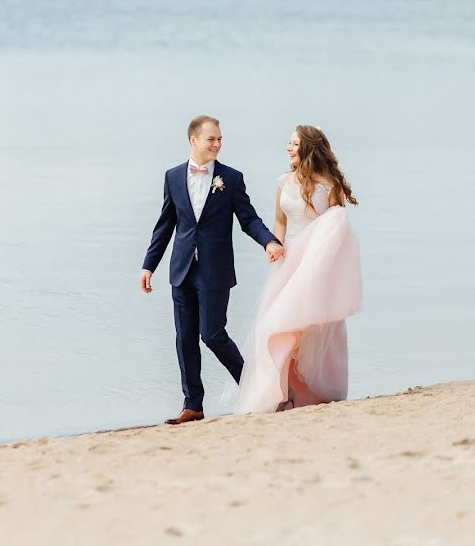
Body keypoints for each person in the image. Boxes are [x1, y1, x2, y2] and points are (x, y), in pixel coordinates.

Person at [140, 115, 284, 425]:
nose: (218, 144)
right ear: (193, 141)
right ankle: (193, 405)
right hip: (181, 270)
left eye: (220, 139)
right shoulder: (173, 177)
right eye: (211, 139)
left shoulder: (231, 179)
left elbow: (249, 219)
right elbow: (165, 225)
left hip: (215, 270)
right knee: (185, 338)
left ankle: (256, 386)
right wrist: (148, 265)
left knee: (213, 334)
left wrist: (268, 242)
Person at [228, 125, 362, 414]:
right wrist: (274, 246)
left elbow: (336, 231)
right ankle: (282, 394)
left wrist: (324, 267)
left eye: (294, 143)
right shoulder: (283, 182)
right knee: (276, 325)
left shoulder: (329, 185)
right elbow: (280, 220)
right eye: (288, 143)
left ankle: (308, 396)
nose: (288, 148)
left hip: (316, 269)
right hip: (288, 264)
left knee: (311, 332)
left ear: (309, 148)